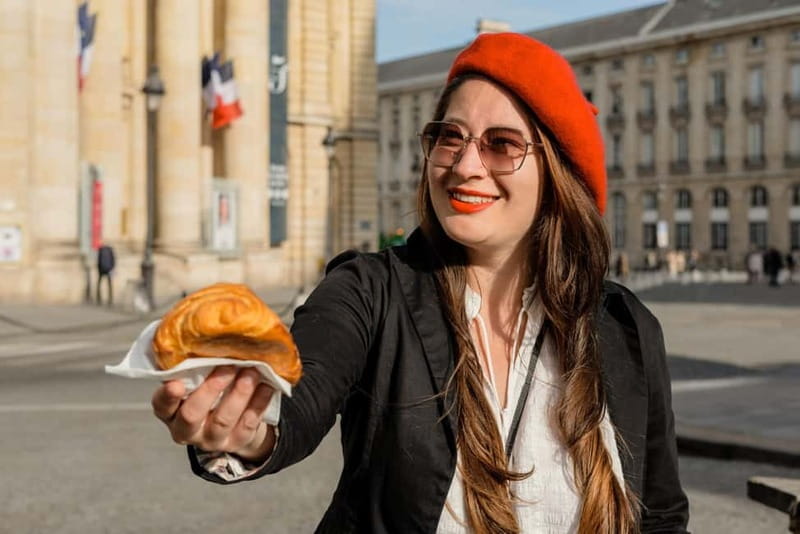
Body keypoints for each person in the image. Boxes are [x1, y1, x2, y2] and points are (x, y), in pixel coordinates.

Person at [151, 33, 688, 533]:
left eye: (501, 144)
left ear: (557, 173)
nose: (465, 165)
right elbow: (299, 395)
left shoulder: (626, 327)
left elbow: (661, 514)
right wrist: (248, 428)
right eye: (448, 137)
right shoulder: (370, 290)